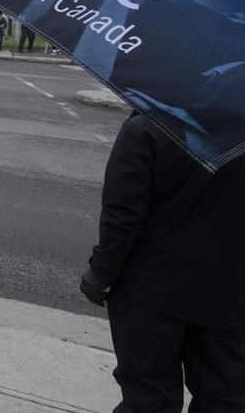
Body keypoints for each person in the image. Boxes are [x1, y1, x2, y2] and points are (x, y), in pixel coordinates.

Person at [80, 113, 245, 412]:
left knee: (149, 397)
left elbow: (122, 215)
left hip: (152, 290)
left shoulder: (148, 126)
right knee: (224, 396)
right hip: (229, 291)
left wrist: (101, 273)